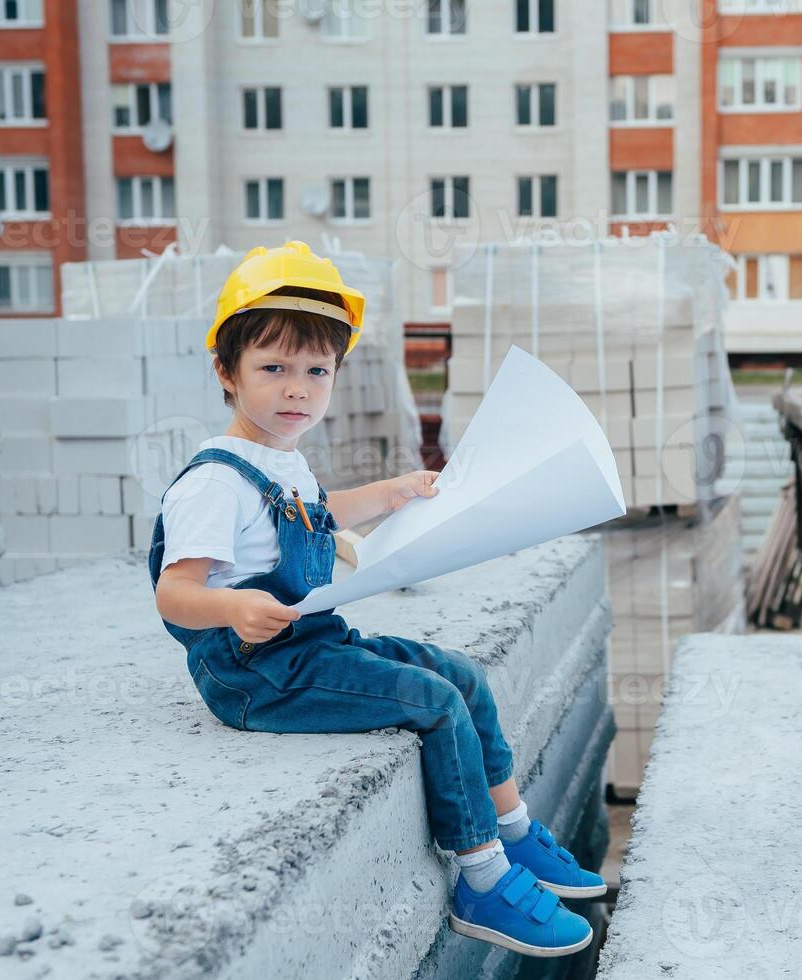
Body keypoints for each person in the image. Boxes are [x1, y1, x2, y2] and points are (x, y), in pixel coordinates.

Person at [148, 241, 605, 958]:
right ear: (225, 373)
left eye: (315, 371)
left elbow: (315, 512)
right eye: (272, 369)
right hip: (253, 674)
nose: (296, 389)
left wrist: (389, 494)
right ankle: (481, 879)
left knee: (460, 674)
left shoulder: (280, 462)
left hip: (307, 648)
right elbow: (175, 593)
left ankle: (513, 835)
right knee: (433, 702)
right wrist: (233, 607)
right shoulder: (212, 483)